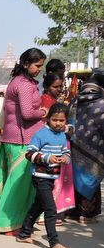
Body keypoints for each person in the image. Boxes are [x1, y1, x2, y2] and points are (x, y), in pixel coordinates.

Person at [0, 48, 47, 234]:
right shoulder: (24, 85)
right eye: (37, 66)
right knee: (17, 185)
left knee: (22, 184)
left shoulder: (20, 82)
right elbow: (28, 113)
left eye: (41, 66)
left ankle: (17, 221)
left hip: (18, 138)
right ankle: (5, 223)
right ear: (26, 64)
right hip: (21, 140)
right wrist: (44, 112)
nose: (39, 70)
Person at [16, 103, 71, 248]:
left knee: (38, 206)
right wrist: (47, 158)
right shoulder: (40, 134)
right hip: (40, 177)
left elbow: (66, 152)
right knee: (50, 209)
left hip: (51, 177)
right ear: (48, 119)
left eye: (62, 121)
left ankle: (24, 233)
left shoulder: (62, 136)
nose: (58, 123)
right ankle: (54, 242)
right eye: (55, 120)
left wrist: (66, 158)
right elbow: (29, 154)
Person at [68, 68, 104, 224]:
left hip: (74, 144)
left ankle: (72, 212)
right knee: (91, 177)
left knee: (75, 178)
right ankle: (86, 215)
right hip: (95, 148)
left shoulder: (75, 100)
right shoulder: (102, 103)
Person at [41, 73, 75, 219]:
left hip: (60, 144)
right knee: (50, 180)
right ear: (47, 86)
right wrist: (67, 128)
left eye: (61, 86)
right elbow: (44, 124)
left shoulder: (55, 101)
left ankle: (56, 210)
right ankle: (48, 213)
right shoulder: (44, 101)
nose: (59, 89)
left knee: (60, 178)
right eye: (55, 86)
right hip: (50, 145)